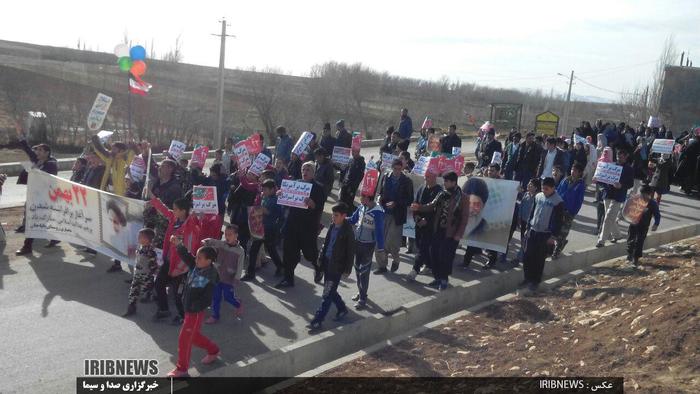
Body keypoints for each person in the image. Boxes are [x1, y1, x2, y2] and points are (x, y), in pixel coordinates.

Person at [167, 239, 220, 377]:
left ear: (209, 261)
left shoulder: (210, 276)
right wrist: (179, 245)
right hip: (189, 309)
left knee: (184, 339)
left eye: (200, 258)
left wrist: (193, 307)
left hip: (194, 313)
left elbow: (207, 299)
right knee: (194, 337)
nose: (196, 260)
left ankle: (182, 369)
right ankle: (214, 350)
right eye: (196, 257)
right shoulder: (196, 266)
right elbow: (187, 256)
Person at [411, 171, 468, 290]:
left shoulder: (463, 197)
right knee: (434, 254)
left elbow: (464, 218)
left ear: (453, 182)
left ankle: (444, 280)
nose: (445, 183)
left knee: (445, 257)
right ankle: (437, 278)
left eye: (447, 181)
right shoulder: (442, 194)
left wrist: (458, 234)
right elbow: (432, 205)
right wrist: (419, 207)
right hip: (438, 230)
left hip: (451, 233)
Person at [150, 197, 201, 325]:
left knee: (178, 294)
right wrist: (153, 198)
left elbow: (195, 232)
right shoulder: (175, 218)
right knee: (159, 284)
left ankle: (184, 317)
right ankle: (164, 309)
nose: (173, 211)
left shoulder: (190, 226)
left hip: (181, 265)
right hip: (169, 260)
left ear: (184, 211)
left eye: (176, 209)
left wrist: (194, 217)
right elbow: (164, 210)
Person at [307, 203, 355, 331]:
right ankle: (342, 308)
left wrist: (347, 269)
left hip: (337, 267)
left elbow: (350, 252)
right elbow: (326, 243)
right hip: (327, 262)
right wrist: (320, 258)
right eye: (333, 215)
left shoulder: (348, 231)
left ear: (344, 216)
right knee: (330, 289)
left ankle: (317, 320)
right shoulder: (333, 226)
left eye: (336, 215)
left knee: (327, 293)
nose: (333, 217)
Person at [14, 122, 59, 255]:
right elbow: (26, 148)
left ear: (47, 153)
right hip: (34, 196)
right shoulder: (37, 160)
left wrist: (34, 170)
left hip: (45, 198)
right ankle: (52, 239)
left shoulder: (51, 164)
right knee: (35, 220)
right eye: (37, 150)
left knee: (35, 220)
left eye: (40, 150)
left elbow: (46, 178)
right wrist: (20, 134)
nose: (37, 152)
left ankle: (27, 247)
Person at [278, 162, 325, 288]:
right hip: (292, 224)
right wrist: (281, 195)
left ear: (313, 172)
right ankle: (288, 279)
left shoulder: (318, 188)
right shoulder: (295, 184)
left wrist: (313, 204)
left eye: (308, 169)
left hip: (307, 227)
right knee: (289, 252)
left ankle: (318, 267)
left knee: (309, 253)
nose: (305, 171)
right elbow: (287, 202)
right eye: (303, 169)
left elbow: (319, 207)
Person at [520, 177, 564, 294]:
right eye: (543, 188)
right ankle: (527, 278)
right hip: (533, 230)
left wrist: (553, 236)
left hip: (545, 234)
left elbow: (558, 221)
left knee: (539, 259)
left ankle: (535, 281)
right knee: (527, 256)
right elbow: (532, 212)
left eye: (547, 189)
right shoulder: (538, 196)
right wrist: (528, 227)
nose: (544, 190)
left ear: (553, 188)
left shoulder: (558, 202)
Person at [375, 159, 413, 274]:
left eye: (399, 169)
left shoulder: (406, 181)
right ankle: (382, 266)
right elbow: (380, 192)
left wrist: (396, 203)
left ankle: (396, 259)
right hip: (384, 213)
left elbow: (409, 199)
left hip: (397, 215)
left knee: (392, 242)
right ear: (392, 168)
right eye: (395, 169)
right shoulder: (386, 177)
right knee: (380, 241)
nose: (397, 171)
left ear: (402, 169)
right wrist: (380, 198)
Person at [201, 224, 245, 323]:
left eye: (230, 234)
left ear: (236, 235)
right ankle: (215, 316)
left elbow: (240, 267)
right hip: (217, 276)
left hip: (229, 279)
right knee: (216, 297)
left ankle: (238, 304)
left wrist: (236, 279)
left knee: (228, 297)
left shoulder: (240, 251)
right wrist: (206, 241)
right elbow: (213, 241)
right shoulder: (222, 244)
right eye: (226, 234)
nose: (227, 237)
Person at [347, 195, 384, 309]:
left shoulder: (378, 212)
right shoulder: (361, 207)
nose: (360, 199)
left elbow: (379, 231)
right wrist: (342, 218)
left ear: (368, 199)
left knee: (364, 271)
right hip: (357, 242)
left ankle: (363, 298)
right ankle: (361, 292)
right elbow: (353, 219)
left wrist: (381, 248)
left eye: (362, 197)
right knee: (357, 269)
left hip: (368, 245)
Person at [243, 180, 284, 281]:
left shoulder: (276, 200)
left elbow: (279, 215)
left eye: (265, 189)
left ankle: (281, 267)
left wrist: (265, 210)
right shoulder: (265, 197)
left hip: (269, 229)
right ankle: (250, 273)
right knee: (254, 250)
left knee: (271, 250)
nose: (263, 191)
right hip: (260, 228)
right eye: (262, 189)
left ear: (272, 190)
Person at [407, 170, 443, 280]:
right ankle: (429, 265)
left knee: (423, 247)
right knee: (420, 245)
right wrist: (417, 217)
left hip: (430, 225)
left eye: (428, 177)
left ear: (434, 177)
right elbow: (415, 204)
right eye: (425, 176)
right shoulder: (421, 188)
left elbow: (437, 210)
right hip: (419, 223)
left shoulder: (439, 191)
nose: (425, 179)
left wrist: (426, 220)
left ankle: (414, 270)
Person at [595, 148, 634, 248]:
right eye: (618, 157)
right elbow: (603, 180)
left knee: (608, 218)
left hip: (618, 196)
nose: (619, 159)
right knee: (610, 218)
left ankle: (601, 240)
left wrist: (622, 185)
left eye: (621, 157)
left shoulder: (629, 169)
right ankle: (617, 235)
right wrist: (597, 179)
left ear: (626, 157)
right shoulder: (611, 166)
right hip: (607, 194)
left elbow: (630, 184)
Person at [123, 228, 158, 317]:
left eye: (140, 237)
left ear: (147, 240)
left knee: (145, 290)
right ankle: (131, 308)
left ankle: (154, 297)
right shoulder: (140, 247)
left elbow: (153, 264)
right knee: (133, 292)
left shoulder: (150, 252)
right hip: (137, 274)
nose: (138, 238)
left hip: (146, 275)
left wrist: (152, 273)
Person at [553, 163, 586, 258]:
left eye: (575, 170)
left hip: (569, 211)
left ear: (580, 173)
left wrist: (572, 212)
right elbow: (558, 191)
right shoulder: (565, 180)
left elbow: (579, 201)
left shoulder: (580, 185)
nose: (573, 171)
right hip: (559, 208)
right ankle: (560, 243)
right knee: (556, 229)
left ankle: (557, 250)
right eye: (572, 169)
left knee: (563, 231)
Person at [626, 185, 660, 267]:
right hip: (633, 224)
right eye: (641, 194)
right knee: (631, 240)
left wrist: (656, 224)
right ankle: (630, 254)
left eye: (643, 194)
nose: (641, 196)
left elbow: (657, 215)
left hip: (643, 226)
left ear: (648, 194)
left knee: (639, 242)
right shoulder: (636, 200)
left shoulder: (652, 203)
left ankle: (636, 258)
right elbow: (627, 208)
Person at [511, 178, 541, 265]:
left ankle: (520, 258)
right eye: (528, 184)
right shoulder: (526, 194)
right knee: (523, 240)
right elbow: (521, 206)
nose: (528, 185)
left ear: (536, 188)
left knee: (526, 240)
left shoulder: (538, 198)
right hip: (523, 221)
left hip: (531, 223)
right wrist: (519, 218)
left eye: (530, 185)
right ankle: (523, 257)